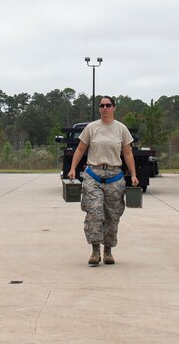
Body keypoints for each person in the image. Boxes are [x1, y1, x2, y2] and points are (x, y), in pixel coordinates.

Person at [67, 95, 139, 266]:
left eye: (108, 105)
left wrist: (133, 174)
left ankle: (108, 250)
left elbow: (128, 153)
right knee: (94, 213)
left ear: (114, 107)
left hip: (115, 176)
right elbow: (80, 149)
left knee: (112, 216)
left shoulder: (121, 129)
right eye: (102, 105)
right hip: (94, 175)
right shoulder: (92, 128)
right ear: (99, 108)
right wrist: (72, 168)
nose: (105, 108)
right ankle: (94, 251)